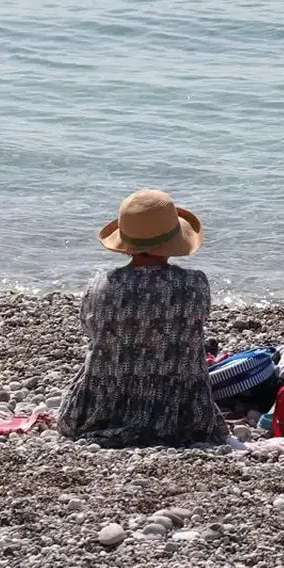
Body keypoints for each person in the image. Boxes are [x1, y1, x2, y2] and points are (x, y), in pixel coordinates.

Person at [57, 189, 228, 447]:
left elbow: (90, 331)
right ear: (173, 239)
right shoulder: (193, 285)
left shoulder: (100, 285)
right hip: (181, 413)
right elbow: (196, 324)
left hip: (98, 410)